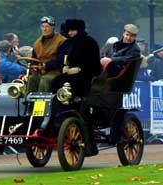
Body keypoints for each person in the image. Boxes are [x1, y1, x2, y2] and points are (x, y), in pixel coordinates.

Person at [81, 24, 141, 157]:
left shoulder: (135, 50)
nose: (128, 37)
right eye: (127, 34)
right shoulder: (115, 45)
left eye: (131, 36)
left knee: (107, 64)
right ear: (123, 33)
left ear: (134, 37)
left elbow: (127, 59)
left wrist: (112, 60)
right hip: (109, 78)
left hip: (117, 81)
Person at [51, 19, 102, 97]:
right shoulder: (67, 43)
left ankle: (76, 104)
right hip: (69, 73)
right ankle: (58, 104)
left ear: (79, 30)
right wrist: (64, 67)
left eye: (72, 30)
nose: (70, 33)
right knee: (56, 82)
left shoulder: (89, 42)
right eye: (68, 31)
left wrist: (79, 69)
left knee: (73, 83)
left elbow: (93, 61)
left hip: (86, 74)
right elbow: (61, 58)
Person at [29, 16, 67, 92]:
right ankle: (29, 102)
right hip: (41, 72)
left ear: (52, 27)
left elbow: (60, 60)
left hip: (56, 72)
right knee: (31, 79)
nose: (44, 29)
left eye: (47, 26)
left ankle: (42, 102)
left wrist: (46, 65)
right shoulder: (37, 43)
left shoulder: (61, 41)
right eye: (42, 27)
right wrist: (34, 66)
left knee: (45, 79)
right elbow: (34, 59)